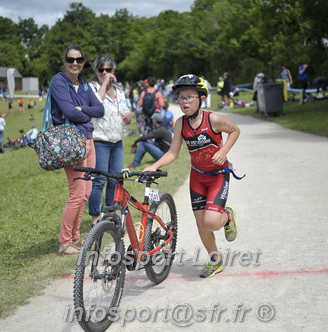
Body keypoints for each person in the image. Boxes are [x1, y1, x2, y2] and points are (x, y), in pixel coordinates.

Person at [144, 74, 241, 278]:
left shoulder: (212, 119)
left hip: (218, 176)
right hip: (197, 177)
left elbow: (235, 131)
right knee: (201, 223)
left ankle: (228, 215)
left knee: (212, 222)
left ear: (201, 99)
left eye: (190, 97)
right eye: (181, 97)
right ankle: (215, 260)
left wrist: (223, 152)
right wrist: (154, 166)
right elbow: (173, 152)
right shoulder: (180, 124)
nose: (185, 102)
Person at [51, 44, 105, 255]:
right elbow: (67, 112)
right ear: (65, 61)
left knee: (86, 192)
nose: (75, 63)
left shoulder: (83, 84)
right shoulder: (58, 81)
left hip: (88, 139)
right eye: (71, 59)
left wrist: (82, 111)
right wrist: (84, 114)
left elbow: (99, 109)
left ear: (84, 62)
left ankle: (75, 237)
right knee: (77, 193)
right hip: (71, 142)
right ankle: (64, 242)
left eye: (79, 59)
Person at [87, 55, 132, 226]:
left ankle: (111, 212)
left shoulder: (119, 90)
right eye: (101, 70)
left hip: (117, 141)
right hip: (100, 140)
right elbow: (95, 105)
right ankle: (95, 217)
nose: (105, 73)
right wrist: (104, 84)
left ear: (113, 71)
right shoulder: (91, 88)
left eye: (109, 70)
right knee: (99, 179)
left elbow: (125, 110)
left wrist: (128, 117)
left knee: (115, 178)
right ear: (96, 71)